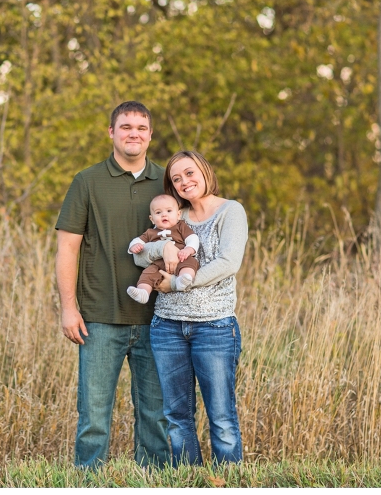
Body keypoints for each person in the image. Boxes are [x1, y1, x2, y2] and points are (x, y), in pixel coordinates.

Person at [55, 101, 169, 469]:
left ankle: (156, 484)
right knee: (92, 418)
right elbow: (67, 248)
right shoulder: (87, 181)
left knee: (156, 417)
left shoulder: (168, 182)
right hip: (100, 317)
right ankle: (88, 483)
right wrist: (68, 308)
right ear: (111, 133)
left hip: (160, 319)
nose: (133, 133)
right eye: (125, 127)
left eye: (141, 127)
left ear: (150, 135)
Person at [134, 150, 247, 467]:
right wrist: (164, 246)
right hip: (167, 326)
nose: (185, 181)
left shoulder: (230, 211)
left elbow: (228, 263)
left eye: (190, 173)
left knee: (221, 416)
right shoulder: (171, 214)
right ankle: (188, 480)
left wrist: (178, 284)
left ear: (205, 171)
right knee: (176, 416)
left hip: (214, 327)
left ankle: (228, 481)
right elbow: (140, 255)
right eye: (176, 178)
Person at [126, 194, 200, 304]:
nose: (164, 215)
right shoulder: (150, 232)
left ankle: (182, 279)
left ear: (178, 214)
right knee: (147, 274)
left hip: (181, 257)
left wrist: (188, 249)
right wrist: (134, 246)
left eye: (169, 211)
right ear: (152, 219)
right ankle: (143, 292)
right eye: (158, 212)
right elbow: (138, 240)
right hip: (158, 264)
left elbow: (192, 238)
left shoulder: (180, 226)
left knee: (190, 263)